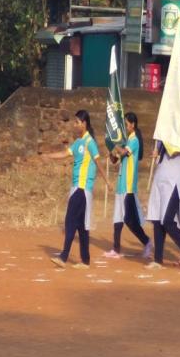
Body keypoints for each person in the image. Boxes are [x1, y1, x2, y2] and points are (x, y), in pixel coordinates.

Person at [48, 110, 105, 269]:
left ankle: (64, 257)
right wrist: (49, 156)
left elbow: (98, 162)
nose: (74, 125)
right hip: (76, 187)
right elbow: (64, 153)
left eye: (77, 122)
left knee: (70, 221)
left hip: (83, 188)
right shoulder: (78, 142)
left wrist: (107, 181)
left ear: (84, 123)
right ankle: (85, 261)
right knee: (81, 225)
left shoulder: (90, 142)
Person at [104, 112, 151, 259]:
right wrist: (111, 151)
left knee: (130, 220)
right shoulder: (127, 141)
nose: (125, 127)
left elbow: (124, 152)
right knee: (117, 218)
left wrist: (115, 144)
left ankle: (147, 241)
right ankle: (116, 249)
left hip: (128, 187)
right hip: (121, 185)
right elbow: (115, 160)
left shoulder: (134, 140)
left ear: (132, 124)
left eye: (126, 124)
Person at [146, 137, 180, 270]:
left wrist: (162, 146)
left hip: (173, 181)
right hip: (160, 177)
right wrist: (157, 151)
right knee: (157, 219)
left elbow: (175, 151)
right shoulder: (162, 137)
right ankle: (158, 260)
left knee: (167, 220)